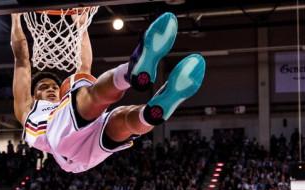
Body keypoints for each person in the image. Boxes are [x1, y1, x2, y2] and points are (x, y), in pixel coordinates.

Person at [12, 12, 205, 173]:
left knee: (122, 119)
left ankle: (150, 113)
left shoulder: (65, 104)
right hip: (60, 141)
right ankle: (130, 71)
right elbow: (21, 61)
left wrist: (81, 26)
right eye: (43, 88)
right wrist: (15, 19)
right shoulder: (28, 108)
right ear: (33, 96)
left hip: (87, 148)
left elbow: (84, 64)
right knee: (77, 85)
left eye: (53, 86)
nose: (51, 89)